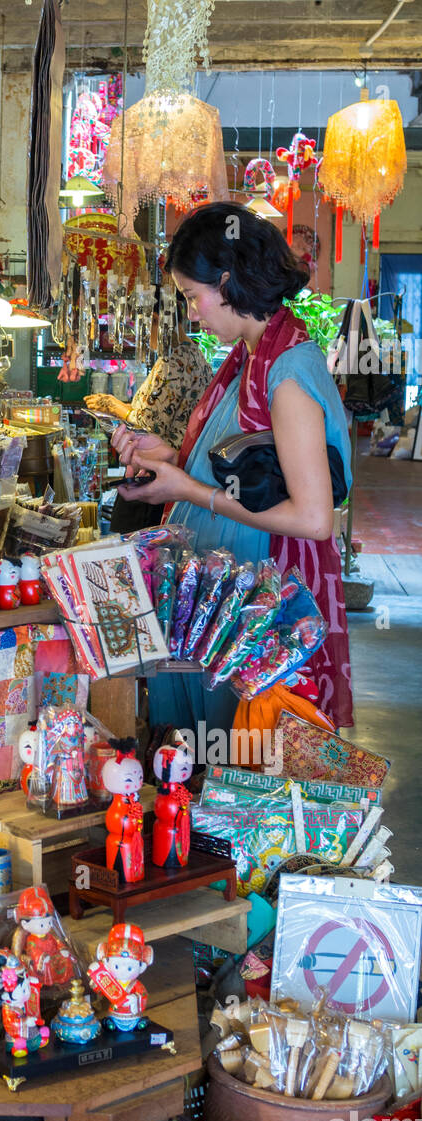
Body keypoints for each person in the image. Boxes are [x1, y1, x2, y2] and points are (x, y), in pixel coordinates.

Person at [113, 202, 353, 730]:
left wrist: (190, 490)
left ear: (226, 282)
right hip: (229, 586)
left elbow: (314, 518)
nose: (193, 312)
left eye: (193, 297)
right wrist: (171, 458)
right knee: (205, 758)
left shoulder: (286, 371)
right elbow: (251, 468)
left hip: (260, 595)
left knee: (239, 755)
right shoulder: (252, 353)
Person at [88, 298, 212, 535]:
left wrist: (113, 406)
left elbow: (146, 425)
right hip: (171, 470)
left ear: (157, 321)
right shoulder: (193, 355)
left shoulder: (173, 361)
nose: (139, 334)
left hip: (153, 474)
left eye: (142, 326)